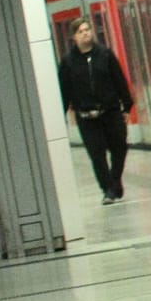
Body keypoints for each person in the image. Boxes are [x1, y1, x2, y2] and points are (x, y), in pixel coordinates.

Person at [57, 18, 134, 204]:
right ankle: (108, 189)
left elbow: (119, 80)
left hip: (111, 112)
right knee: (96, 154)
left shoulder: (105, 55)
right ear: (74, 37)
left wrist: (127, 104)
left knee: (119, 147)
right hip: (86, 117)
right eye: (81, 31)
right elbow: (64, 90)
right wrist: (61, 113)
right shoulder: (68, 63)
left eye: (87, 29)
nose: (85, 34)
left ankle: (115, 181)